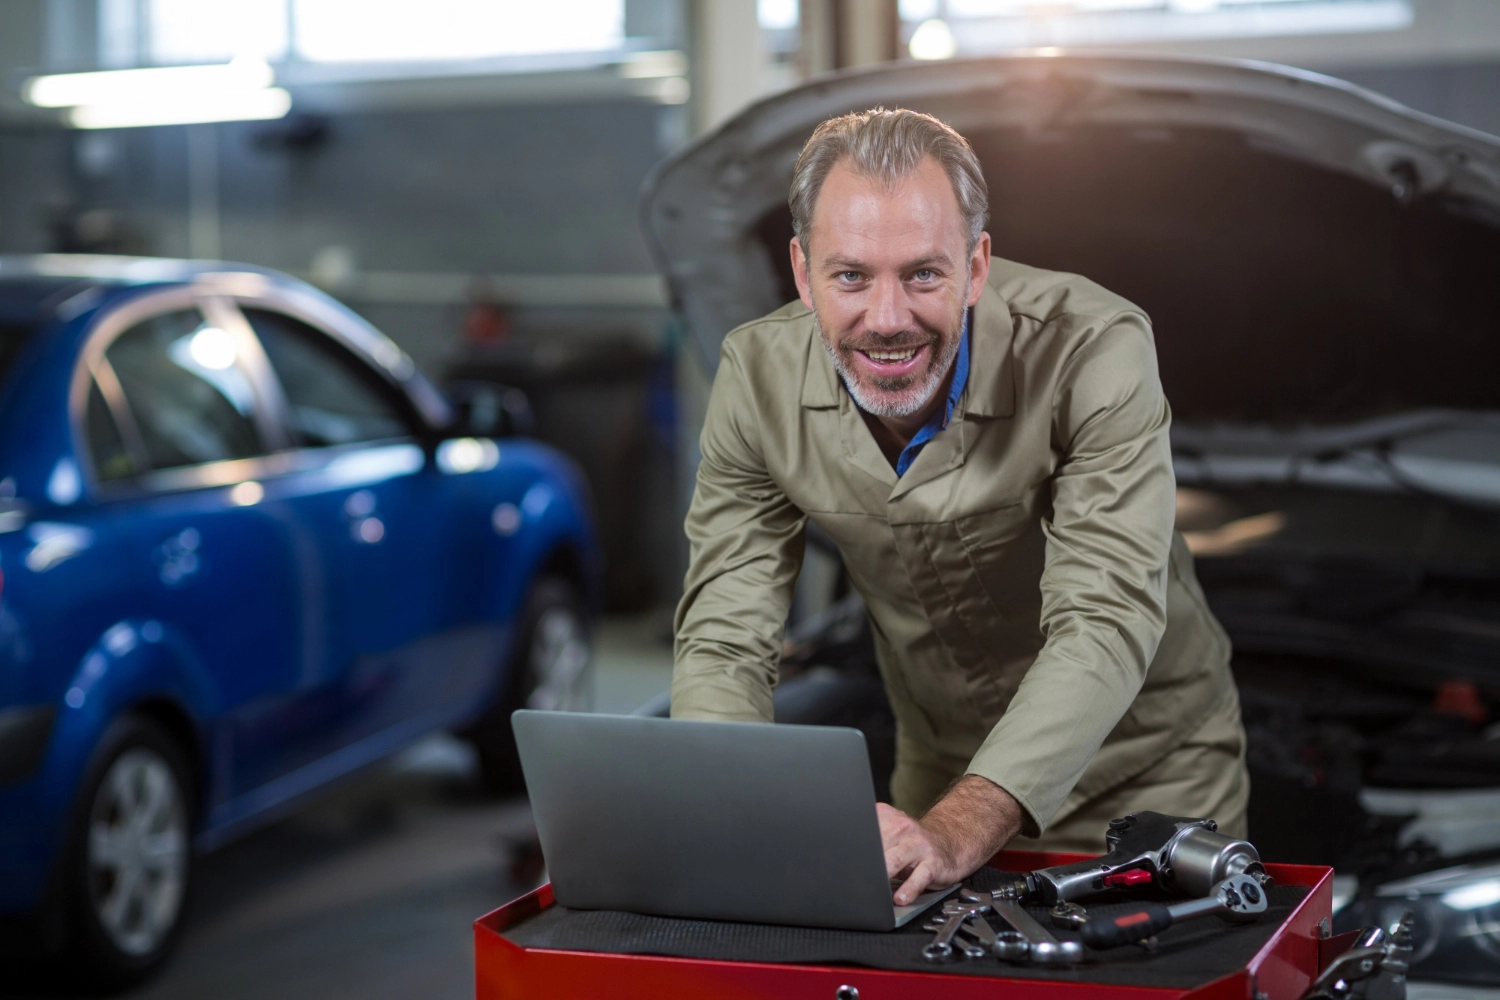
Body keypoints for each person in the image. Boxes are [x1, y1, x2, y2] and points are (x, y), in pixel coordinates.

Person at [670, 108, 1248, 906]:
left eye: (923, 274)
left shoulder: (1093, 349)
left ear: (976, 267)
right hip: (936, 773)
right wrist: (729, 814)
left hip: (1147, 773)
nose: (887, 319)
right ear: (802, 274)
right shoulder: (754, 377)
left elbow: (1104, 618)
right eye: (850, 276)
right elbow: (725, 636)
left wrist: (959, 828)